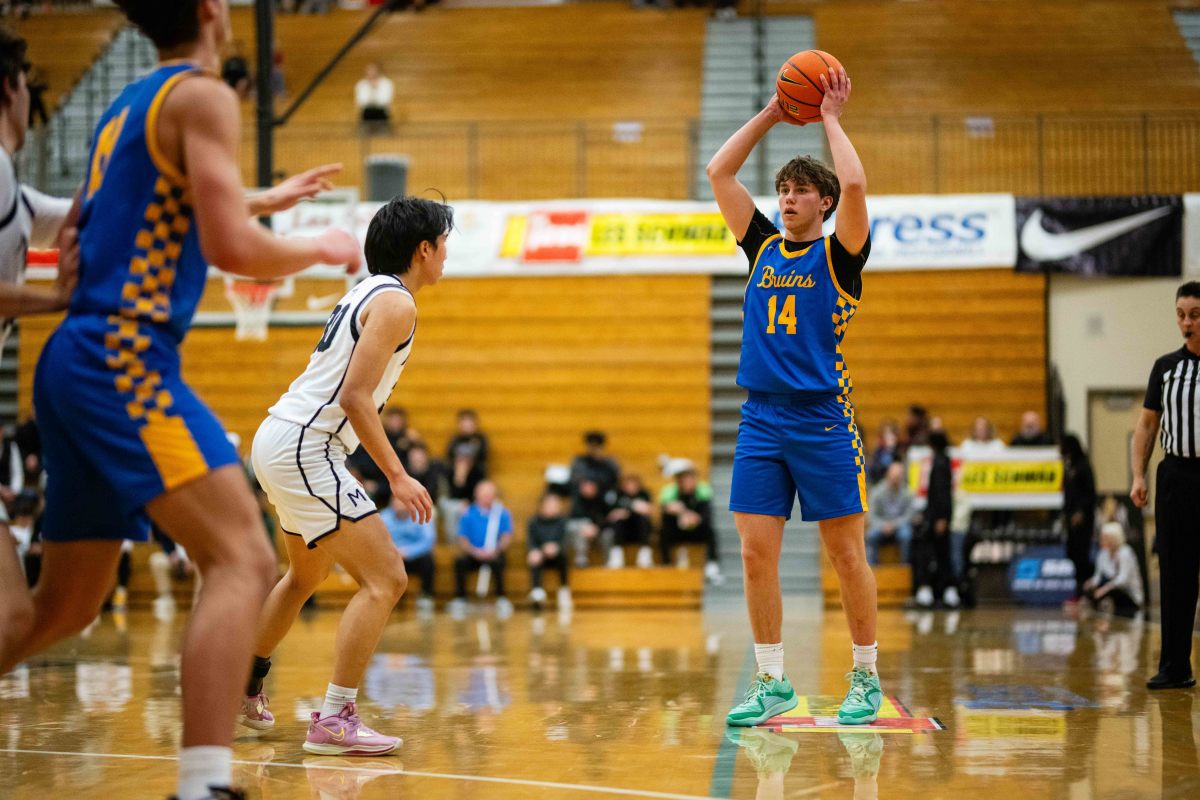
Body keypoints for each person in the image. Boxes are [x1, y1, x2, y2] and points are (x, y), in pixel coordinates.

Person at [0, 3, 362, 798]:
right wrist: (320, 245)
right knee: (243, 557)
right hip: (120, 352)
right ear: (211, 11)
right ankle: (203, 784)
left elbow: (172, 212)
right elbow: (227, 244)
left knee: (65, 605)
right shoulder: (204, 95)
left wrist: (259, 200)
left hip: (72, 362)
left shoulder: (132, 103)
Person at [243, 196, 448, 756]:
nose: (446, 254)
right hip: (308, 447)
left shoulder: (366, 290)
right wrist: (399, 475)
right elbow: (357, 397)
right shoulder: (397, 303)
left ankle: (241, 688)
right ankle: (334, 719)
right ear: (423, 249)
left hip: (280, 437)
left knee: (304, 577)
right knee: (388, 579)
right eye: (443, 243)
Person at [707, 67, 880, 726]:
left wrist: (829, 116)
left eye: (801, 191)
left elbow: (858, 182)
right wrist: (774, 114)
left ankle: (864, 675)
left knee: (844, 555)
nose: (786, 198)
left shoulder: (841, 258)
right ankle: (772, 680)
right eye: (782, 189)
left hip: (822, 420)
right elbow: (719, 173)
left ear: (825, 203)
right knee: (754, 554)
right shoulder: (761, 248)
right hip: (761, 419)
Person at [1131, 281, 1200, 690]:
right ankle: (1176, 667)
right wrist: (1139, 474)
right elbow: (1147, 424)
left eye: (1194, 314)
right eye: (1181, 314)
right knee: (1176, 574)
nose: (1186, 322)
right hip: (1175, 476)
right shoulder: (1166, 367)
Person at [450, 479, 512, 617]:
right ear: (476, 494)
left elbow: (506, 537)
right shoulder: (468, 513)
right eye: (484, 494)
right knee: (460, 562)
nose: (487, 497)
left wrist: (495, 550)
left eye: (490, 494)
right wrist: (475, 551)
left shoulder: (502, 513)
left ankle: (501, 598)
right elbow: (462, 539)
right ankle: (460, 598)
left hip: (493, 553)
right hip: (473, 553)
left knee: (499, 561)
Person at [913, 431, 956, 609]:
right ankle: (942, 590)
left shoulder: (940, 463)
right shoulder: (941, 461)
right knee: (938, 553)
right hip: (935, 516)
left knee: (939, 554)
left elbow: (942, 495)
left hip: (938, 518)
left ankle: (945, 590)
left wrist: (942, 518)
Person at [659, 461, 721, 582]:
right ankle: (666, 563)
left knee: (710, 531)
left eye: (689, 478)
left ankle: (712, 564)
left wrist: (693, 517)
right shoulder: (670, 492)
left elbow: (706, 515)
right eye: (683, 479)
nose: (687, 482)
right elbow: (664, 511)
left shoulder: (703, 491)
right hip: (677, 530)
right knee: (663, 532)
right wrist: (674, 510)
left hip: (696, 530)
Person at [567, 430, 619, 566]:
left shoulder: (609, 465)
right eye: (591, 446)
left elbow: (613, 487)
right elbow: (576, 481)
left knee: (610, 531)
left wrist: (598, 524)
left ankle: (610, 562)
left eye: (597, 446)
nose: (594, 449)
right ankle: (581, 558)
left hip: (601, 514)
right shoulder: (579, 463)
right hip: (582, 513)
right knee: (577, 527)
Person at [381, 494, 436, 614]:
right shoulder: (383, 517)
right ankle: (387, 597)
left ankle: (426, 596)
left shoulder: (421, 515)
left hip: (414, 558)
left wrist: (408, 552)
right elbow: (378, 540)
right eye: (396, 502)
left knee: (428, 559)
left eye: (402, 501)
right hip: (393, 558)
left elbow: (428, 540)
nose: (399, 504)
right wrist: (395, 552)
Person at [1060, 433, 1096, 603]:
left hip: (1083, 520)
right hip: (1070, 519)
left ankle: (1086, 591)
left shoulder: (1083, 466)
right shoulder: (1068, 466)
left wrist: (1081, 512)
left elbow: (1090, 493)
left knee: (1082, 556)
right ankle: (1079, 590)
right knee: (1073, 554)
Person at [1083, 522, 1143, 619]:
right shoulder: (1103, 553)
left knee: (1109, 588)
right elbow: (1098, 576)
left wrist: (1105, 589)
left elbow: (1123, 580)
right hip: (1111, 588)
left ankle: (1105, 604)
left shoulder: (1125, 552)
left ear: (1114, 538)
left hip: (1128, 594)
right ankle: (1094, 608)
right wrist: (1091, 583)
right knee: (1090, 587)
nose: (1101, 540)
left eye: (1105, 537)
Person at [527, 491, 571, 609]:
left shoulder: (563, 521)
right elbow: (531, 541)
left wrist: (556, 547)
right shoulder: (533, 521)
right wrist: (538, 550)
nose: (553, 508)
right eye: (550, 505)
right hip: (541, 555)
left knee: (563, 556)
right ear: (542, 506)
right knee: (534, 557)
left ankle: (564, 589)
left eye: (556, 505)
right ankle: (537, 591)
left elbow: (566, 540)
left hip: (558, 555)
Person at [865, 462, 914, 566]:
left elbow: (909, 514)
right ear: (888, 475)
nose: (896, 480)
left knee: (906, 535)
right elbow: (871, 515)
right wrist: (883, 525)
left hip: (899, 526)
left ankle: (904, 568)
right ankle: (872, 568)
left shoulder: (907, 492)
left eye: (898, 477)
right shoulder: (876, 492)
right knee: (871, 535)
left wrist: (894, 525)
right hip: (880, 526)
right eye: (894, 476)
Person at [604, 472, 654, 568]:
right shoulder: (616, 495)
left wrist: (633, 509)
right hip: (622, 531)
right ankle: (616, 555)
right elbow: (610, 514)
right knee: (619, 520)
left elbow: (649, 510)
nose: (630, 487)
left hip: (639, 531)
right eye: (628, 485)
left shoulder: (644, 494)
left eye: (633, 485)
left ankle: (644, 554)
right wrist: (630, 508)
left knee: (642, 519)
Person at [355, 63, 393, 130]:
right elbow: (361, 102)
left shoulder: (386, 83)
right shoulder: (361, 84)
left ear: (378, 72)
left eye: (373, 72)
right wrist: (371, 88)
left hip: (382, 113)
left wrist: (375, 89)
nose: (371, 74)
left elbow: (385, 100)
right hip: (367, 113)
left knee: (383, 136)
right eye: (369, 71)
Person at [865, 419, 900, 485]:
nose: (888, 437)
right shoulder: (877, 453)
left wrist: (891, 450)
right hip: (878, 485)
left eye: (891, 434)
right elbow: (873, 472)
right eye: (886, 434)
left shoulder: (900, 451)